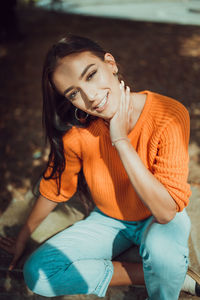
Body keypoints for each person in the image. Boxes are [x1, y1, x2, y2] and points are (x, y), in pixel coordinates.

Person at [0, 34, 200, 300]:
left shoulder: (169, 114)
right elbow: (56, 187)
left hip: (158, 217)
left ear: (111, 63)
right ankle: (163, 273)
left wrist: (120, 140)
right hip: (110, 219)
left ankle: (166, 273)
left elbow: (165, 212)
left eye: (91, 75)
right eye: (73, 93)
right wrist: (24, 235)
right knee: (38, 273)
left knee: (163, 251)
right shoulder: (79, 131)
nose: (90, 97)